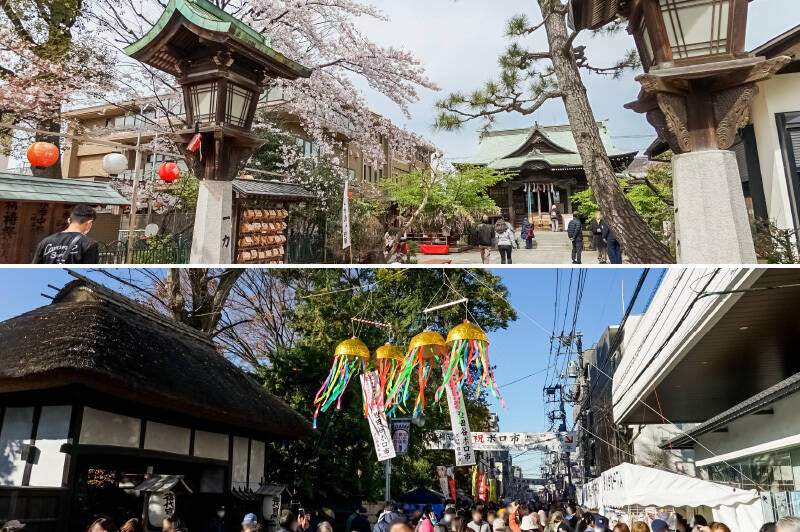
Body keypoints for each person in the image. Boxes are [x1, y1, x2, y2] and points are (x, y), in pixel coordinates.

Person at [32, 204, 100, 264]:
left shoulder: (45, 242)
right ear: (89, 223)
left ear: (69, 220)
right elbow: (89, 272)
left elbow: (34, 269)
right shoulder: (89, 244)